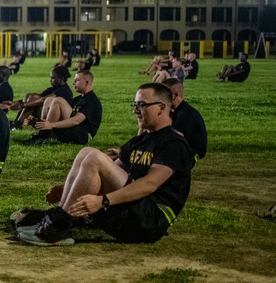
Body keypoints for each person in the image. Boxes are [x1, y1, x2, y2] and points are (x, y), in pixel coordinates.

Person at [17, 82, 195, 246]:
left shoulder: (174, 144)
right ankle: (58, 223)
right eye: (135, 105)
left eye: (142, 105)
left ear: (162, 107)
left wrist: (103, 201)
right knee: (86, 153)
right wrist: (68, 188)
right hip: (133, 209)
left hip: (151, 220)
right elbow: (112, 171)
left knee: (95, 157)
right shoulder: (141, 140)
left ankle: (57, 228)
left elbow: (149, 184)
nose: (136, 111)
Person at [25, 70, 102, 146]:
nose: (73, 83)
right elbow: (59, 114)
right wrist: (36, 121)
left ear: (87, 82)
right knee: (49, 100)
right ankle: (42, 133)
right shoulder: (78, 99)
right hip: (71, 130)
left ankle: (43, 136)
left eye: (77, 80)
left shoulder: (92, 101)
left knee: (58, 100)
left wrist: (51, 125)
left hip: (83, 136)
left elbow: (76, 121)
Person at [163, 78, 207, 161]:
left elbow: (173, 138)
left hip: (191, 153)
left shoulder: (187, 115)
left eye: (163, 95)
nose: (160, 99)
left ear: (175, 96)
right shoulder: (173, 111)